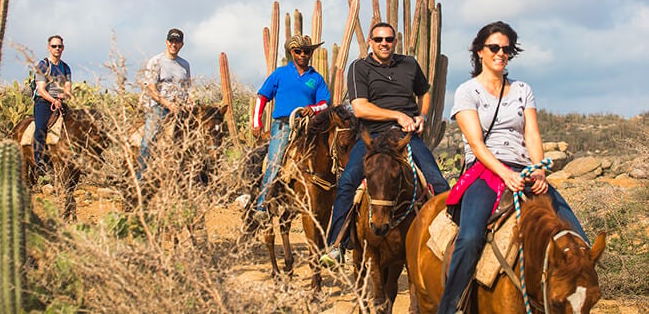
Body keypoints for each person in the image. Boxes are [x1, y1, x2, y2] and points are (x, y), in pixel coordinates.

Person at [437, 21, 589, 314]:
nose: (501, 53)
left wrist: (538, 169)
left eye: (506, 49)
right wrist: (505, 174)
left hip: (525, 170)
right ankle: (450, 307)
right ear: (480, 51)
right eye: (494, 47)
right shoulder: (467, 91)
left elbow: (531, 133)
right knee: (469, 238)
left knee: (578, 238)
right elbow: (477, 144)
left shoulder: (522, 89)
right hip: (486, 170)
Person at [320, 22, 450, 265]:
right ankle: (336, 243)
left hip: (406, 136)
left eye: (388, 39)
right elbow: (359, 107)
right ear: (370, 42)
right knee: (348, 181)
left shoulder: (409, 64)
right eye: (378, 39)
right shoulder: (359, 67)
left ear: (395, 41)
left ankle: (449, 243)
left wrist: (421, 115)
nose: (384, 43)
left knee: (438, 182)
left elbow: (424, 91)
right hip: (374, 138)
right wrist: (397, 115)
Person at [251, 35, 331, 224]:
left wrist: (313, 108)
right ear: (292, 53)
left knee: (330, 157)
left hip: (309, 126)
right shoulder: (280, 74)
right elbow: (262, 97)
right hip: (284, 125)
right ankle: (261, 207)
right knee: (274, 161)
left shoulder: (316, 78)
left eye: (307, 51)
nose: (303, 55)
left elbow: (325, 103)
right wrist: (256, 122)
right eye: (298, 51)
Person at [137, 28, 191, 180]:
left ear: (182, 44)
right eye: (171, 41)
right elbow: (151, 88)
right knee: (149, 139)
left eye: (177, 42)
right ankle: (140, 179)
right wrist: (167, 104)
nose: (174, 44)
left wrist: (188, 101)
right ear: (167, 42)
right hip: (159, 106)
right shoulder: (156, 61)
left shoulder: (184, 65)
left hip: (180, 108)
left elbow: (187, 89)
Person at [33, 35, 72, 176]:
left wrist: (64, 96)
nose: (57, 49)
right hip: (44, 102)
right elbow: (41, 90)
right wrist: (53, 100)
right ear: (49, 48)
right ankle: (39, 162)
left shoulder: (66, 67)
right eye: (54, 46)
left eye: (59, 46)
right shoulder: (43, 65)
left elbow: (68, 89)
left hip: (60, 101)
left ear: (63, 48)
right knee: (41, 128)